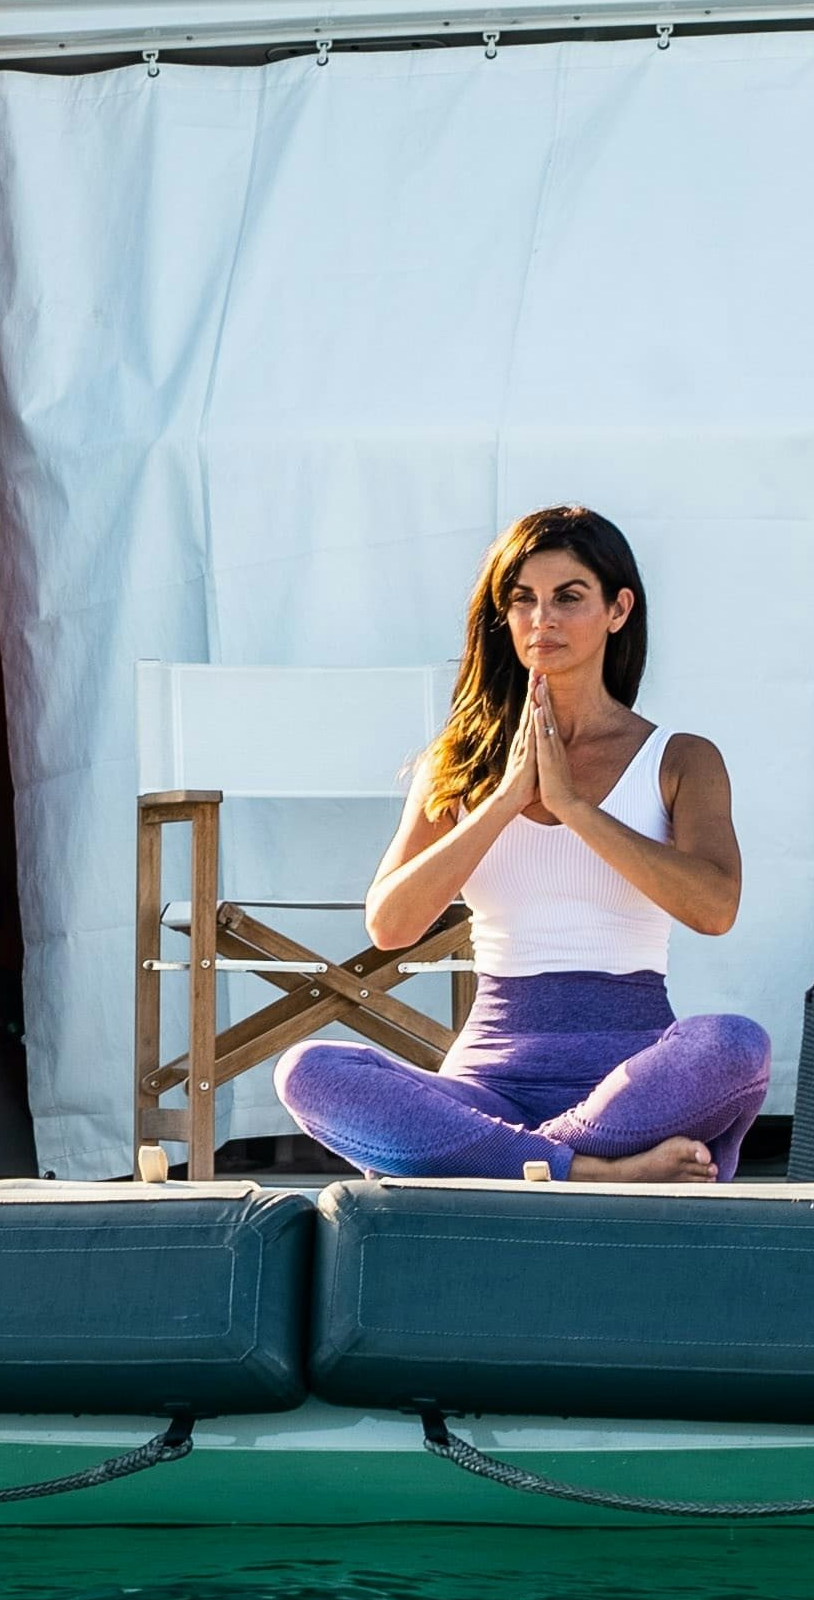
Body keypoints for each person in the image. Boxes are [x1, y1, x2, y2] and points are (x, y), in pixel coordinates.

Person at [273, 505, 769, 1183]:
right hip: (488, 1086)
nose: (543, 619)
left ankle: (506, 1159)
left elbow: (715, 909)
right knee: (308, 1070)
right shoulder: (457, 765)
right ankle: (587, 1172)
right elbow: (390, 925)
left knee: (735, 1043)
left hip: (632, 1086)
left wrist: (572, 807)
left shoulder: (680, 758)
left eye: (568, 597)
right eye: (522, 600)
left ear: (618, 610)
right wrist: (505, 801)